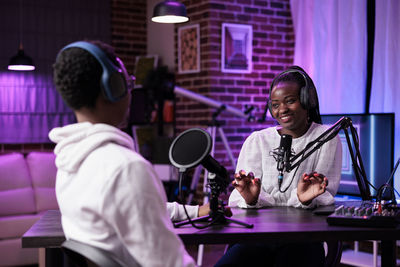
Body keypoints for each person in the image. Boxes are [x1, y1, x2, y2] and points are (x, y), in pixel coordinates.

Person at [50, 40, 196, 267]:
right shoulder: (126, 168)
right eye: (127, 83)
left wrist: (194, 211)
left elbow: (131, 207)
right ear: (113, 86)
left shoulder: (70, 160)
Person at [215, 66, 342, 267]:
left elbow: (327, 194)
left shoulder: (326, 138)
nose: (281, 110)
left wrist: (304, 199)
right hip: (258, 237)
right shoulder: (257, 141)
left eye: (290, 101)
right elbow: (238, 198)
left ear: (308, 101)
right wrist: (252, 198)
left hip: (303, 239)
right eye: (275, 104)